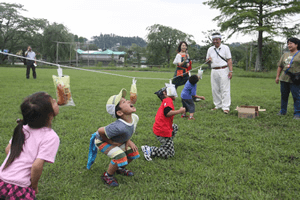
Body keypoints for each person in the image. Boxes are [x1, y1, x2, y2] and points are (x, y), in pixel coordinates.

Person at [0, 92, 60, 199]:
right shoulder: (51, 137)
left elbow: (8, 149)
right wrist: (34, 186)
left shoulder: (22, 128)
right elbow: (36, 166)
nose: (56, 101)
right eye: (53, 102)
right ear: (49, 114)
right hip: (19, 187)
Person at [92, 88, 140, 187]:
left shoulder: (135, 118)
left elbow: (128, 132)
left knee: (133, 151)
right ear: (119, 113)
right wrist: (111, 142)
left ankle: (119, 168)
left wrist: (128, 141)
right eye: (123, 101)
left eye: (126, 99)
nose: (128, 101)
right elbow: (100, 131)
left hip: (116, 140)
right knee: (120, 155)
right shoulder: (118, 126)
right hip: (101, 141)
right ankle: (107, 176)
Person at [141, 86, 185, 161]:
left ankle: (166, 144)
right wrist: (179, 111)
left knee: (174, 127)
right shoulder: (167, 100)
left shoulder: (167, 100)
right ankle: (150, 149)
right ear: (165, 93)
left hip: (161, 128)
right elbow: (167, 113)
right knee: (170, 154)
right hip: (162, 130)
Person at [206, 32, 233, 114]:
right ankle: (218, 105)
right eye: (213, 40)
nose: (215, 41)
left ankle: (226, 107)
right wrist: (208, 60)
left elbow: (229, 60)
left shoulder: (225, 48)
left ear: (220, 39)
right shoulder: (210, 49)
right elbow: (207, 61)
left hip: (224, 69)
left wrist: (231, 71)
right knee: (215, 89)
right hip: (214, 70)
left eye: (217, 39)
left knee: (225, 88)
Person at [275, 37, 300, 119]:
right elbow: (280, 66)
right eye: (288, 43)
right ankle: (282, 111)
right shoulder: (285, 54)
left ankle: (297, 113)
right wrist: (277, 77)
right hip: (284, 78)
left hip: (296, 79)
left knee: (296, 96)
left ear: (296, 44)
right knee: (284, 95)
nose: (289, 45)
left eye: (291, 43)